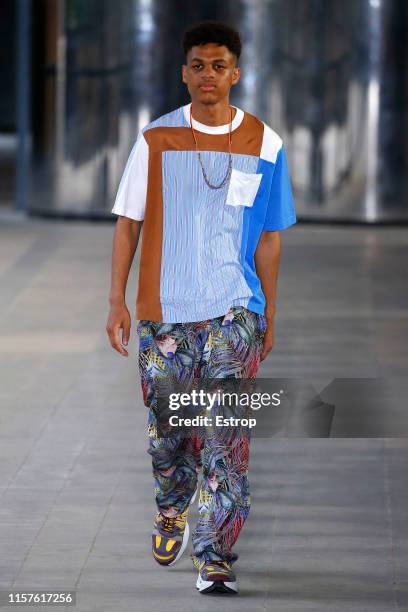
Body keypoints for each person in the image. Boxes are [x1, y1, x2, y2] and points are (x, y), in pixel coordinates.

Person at [106, 20, 297, 595]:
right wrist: (116, 299)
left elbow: (268, 236)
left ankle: (215, 554)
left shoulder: (265, 144)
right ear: (184, 72)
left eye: (219, 66)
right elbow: (129, 222)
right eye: (197, 65)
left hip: (234, 309)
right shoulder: (154, 140)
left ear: (235, 73)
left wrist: (267, 312)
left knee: (224, 433)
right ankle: (172, 503)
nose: (208, 75)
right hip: (165, 308)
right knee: (169, 431)